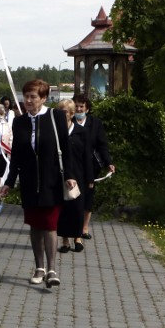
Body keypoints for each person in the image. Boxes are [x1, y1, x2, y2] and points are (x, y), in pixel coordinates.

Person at [0, 79, 76, 289]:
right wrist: (9, 181)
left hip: (51, 179)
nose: (29, 100)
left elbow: (66, 150)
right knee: (35, 225)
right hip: (29, 180)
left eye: (33, 96)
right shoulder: (20, 122)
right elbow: (16, 155)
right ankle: (39, 268)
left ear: (43, 98)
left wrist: (70, 175)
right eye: (26, 96)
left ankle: (52, 270)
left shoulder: (56, 117)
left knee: (50, 224)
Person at [73, 93, 116, 239]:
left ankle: (84, 228)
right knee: (73, 196)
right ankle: (71, 227)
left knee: (88, 197)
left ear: (87, 108)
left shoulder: (95, 123)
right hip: (73, 164)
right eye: (76, 106)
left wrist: (109, 162)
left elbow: (102, 144)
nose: (78, 109)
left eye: (81, 106)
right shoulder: (69, 121)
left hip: (91, 166)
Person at [55, 99, 92, 253]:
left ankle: (77, 238)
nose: (62, 114)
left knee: (77, 208)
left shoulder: (81, 132)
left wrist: (90, 178)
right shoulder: (55, 131)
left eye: (64, 112)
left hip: (78, 175)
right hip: (59, 174)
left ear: (71, 114)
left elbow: (87, 156)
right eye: (59, 111)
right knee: (63, 209)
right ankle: (64, 241)